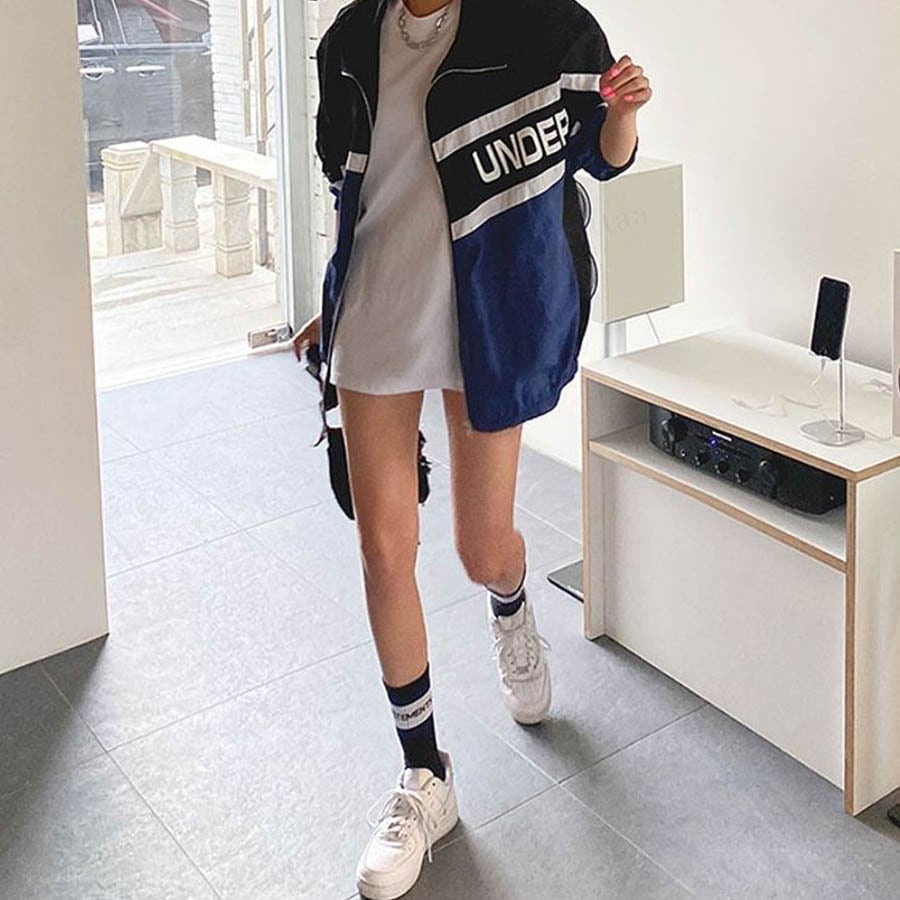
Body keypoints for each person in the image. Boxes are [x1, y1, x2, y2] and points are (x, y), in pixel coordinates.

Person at [293, 0, 651, 895]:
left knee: (480, 547)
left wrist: (622, 114)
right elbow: (349, 191)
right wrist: (329, 305)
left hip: (490, 314)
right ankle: (425, 774)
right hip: (377, 310)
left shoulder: (537, 26)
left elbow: (601, 158)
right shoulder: (349, 39)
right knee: (384, 549)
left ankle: (511, 606)